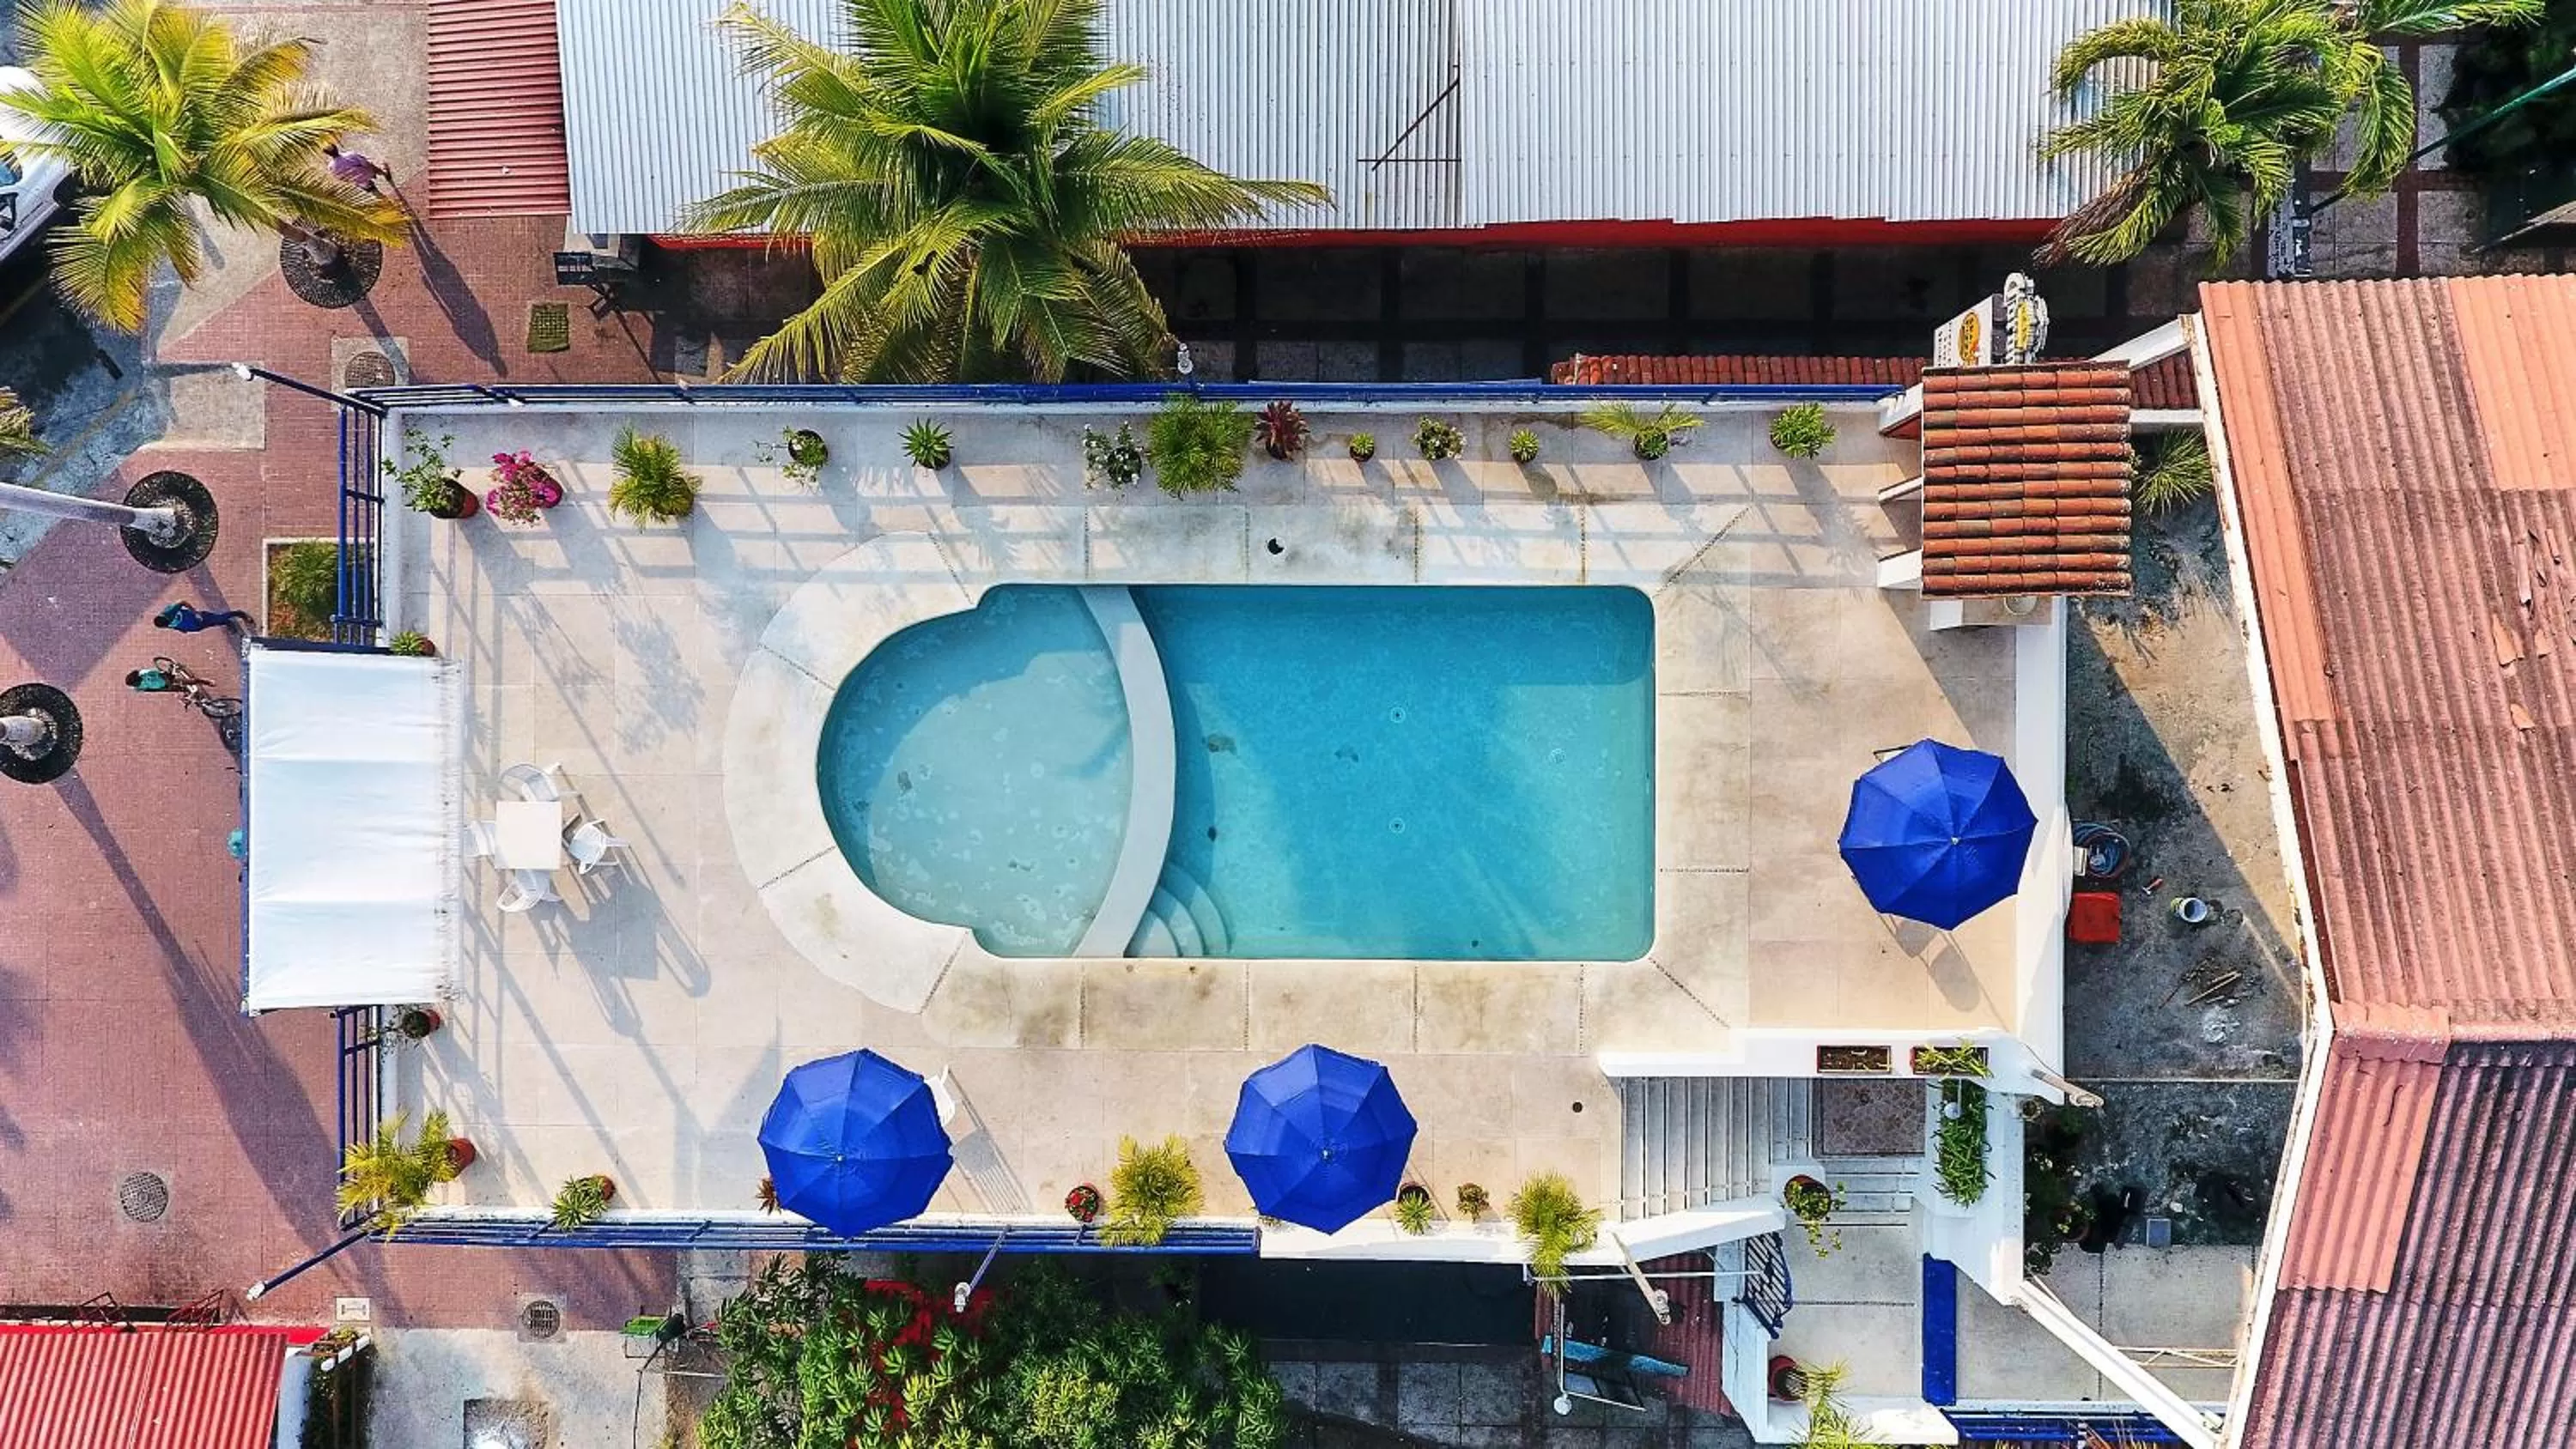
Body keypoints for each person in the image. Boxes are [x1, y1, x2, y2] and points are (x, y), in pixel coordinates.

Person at [325, 142, 392, 195]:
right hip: (367, 173)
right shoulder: (350, 155)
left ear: (328, 154)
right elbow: (366, 163)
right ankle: (385, 174)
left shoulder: (331, 167)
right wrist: (372, 169)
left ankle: (381, 198)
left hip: (358, 181)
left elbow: (340, 178)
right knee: (371, 165)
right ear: (336, 148)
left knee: (372, 190)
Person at [154, 602, 250, 634]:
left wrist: (195, 612)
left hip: (199, 618)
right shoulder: (165, 624)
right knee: (214, 623)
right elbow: (172, 626)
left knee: (219, 618)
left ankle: (239, 613)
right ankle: (227, 623)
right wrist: (181, 630)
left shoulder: (170, 611)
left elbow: (182, 602)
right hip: (195, 626)